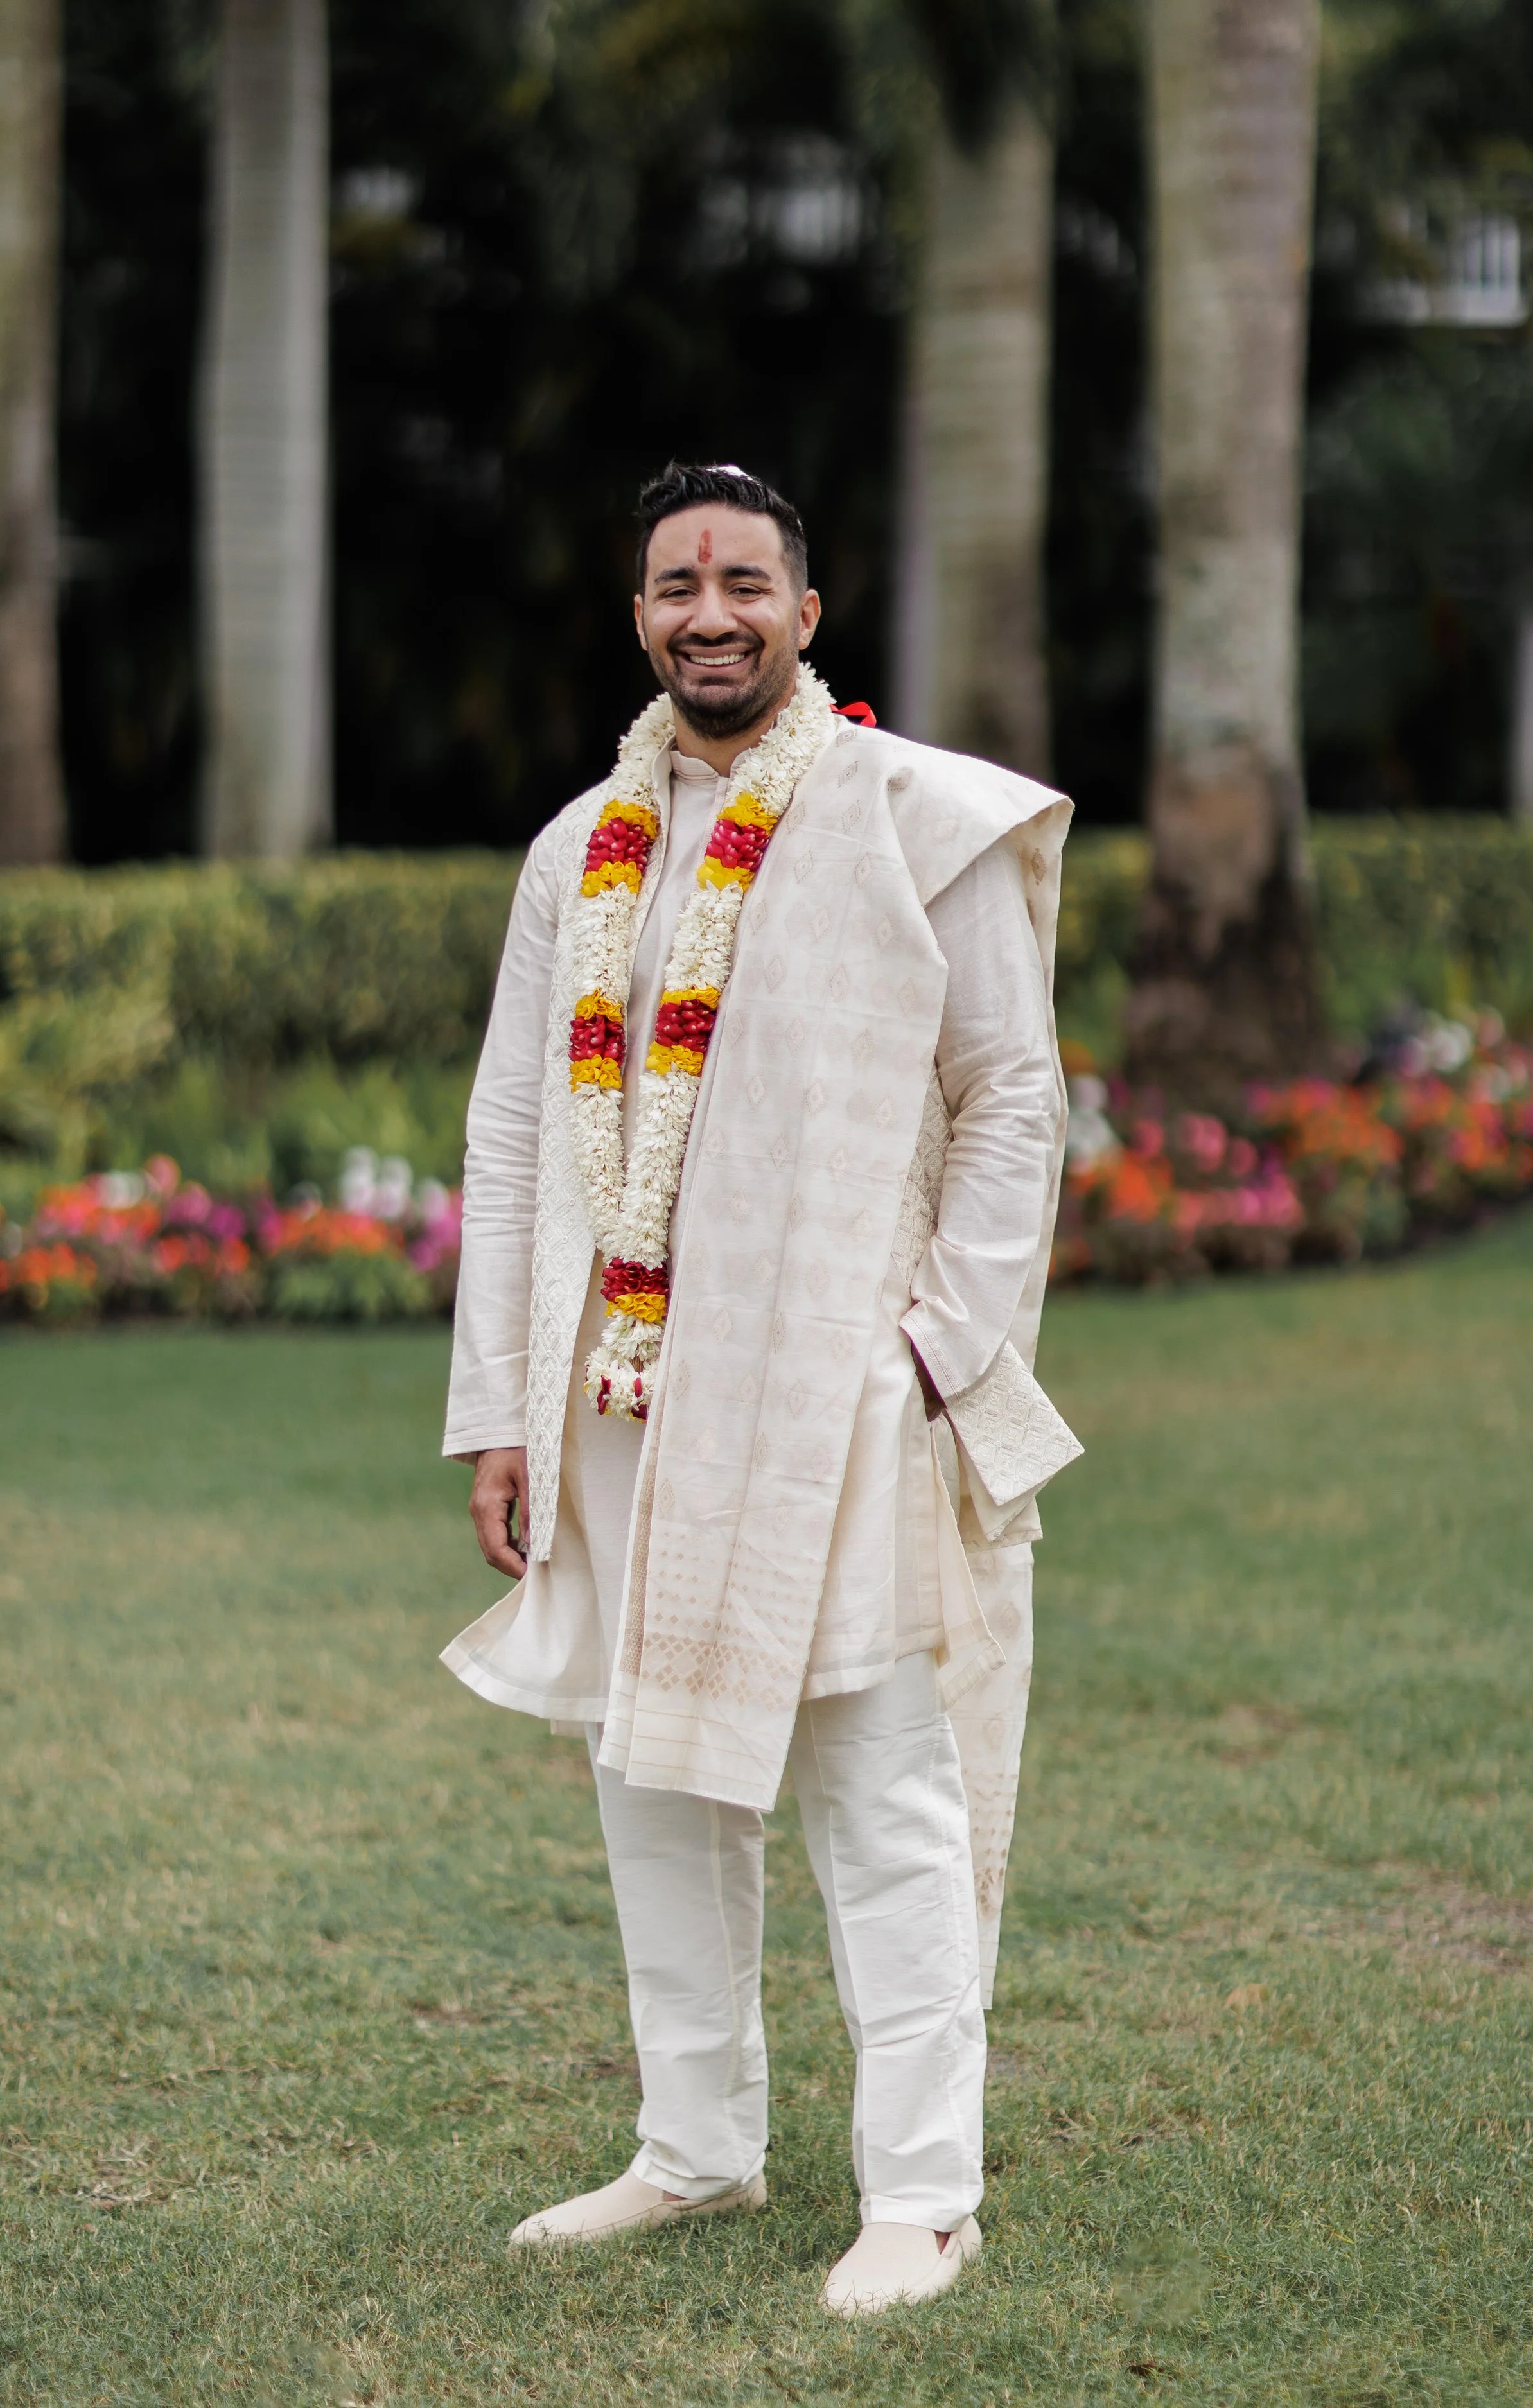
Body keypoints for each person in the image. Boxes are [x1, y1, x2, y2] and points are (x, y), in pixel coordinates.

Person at [440, 460, 1080, 2316]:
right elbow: (505, 1131)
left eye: (742, 580)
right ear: (637, 615)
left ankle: (923, 2193)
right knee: (650, 1776)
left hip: (838, 1387)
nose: (705, 611)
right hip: (621, 1390)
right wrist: (503, 1403)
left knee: (879, 1782)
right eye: (671, 583)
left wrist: (931, 1345)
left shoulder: (908, 815)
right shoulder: (577, 848)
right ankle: (695, 2147)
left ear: (807, 610)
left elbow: (1010, 1095)